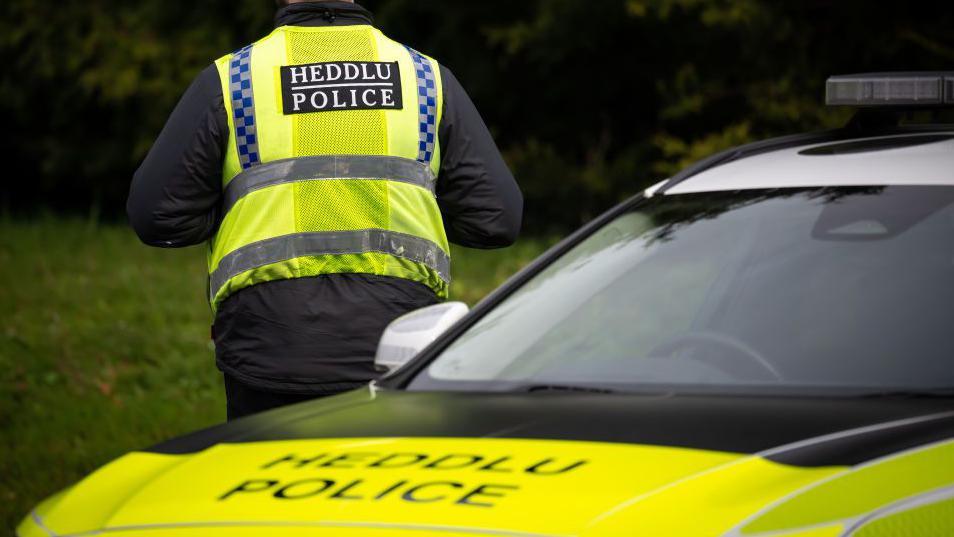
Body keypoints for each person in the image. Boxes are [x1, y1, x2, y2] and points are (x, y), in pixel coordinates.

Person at [127, 0, 522, 420]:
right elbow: (495, 219)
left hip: (271, 349)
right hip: (398, 346)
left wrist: (229, 210)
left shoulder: (235, 80)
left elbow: (157, 215)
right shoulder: (424, 77)